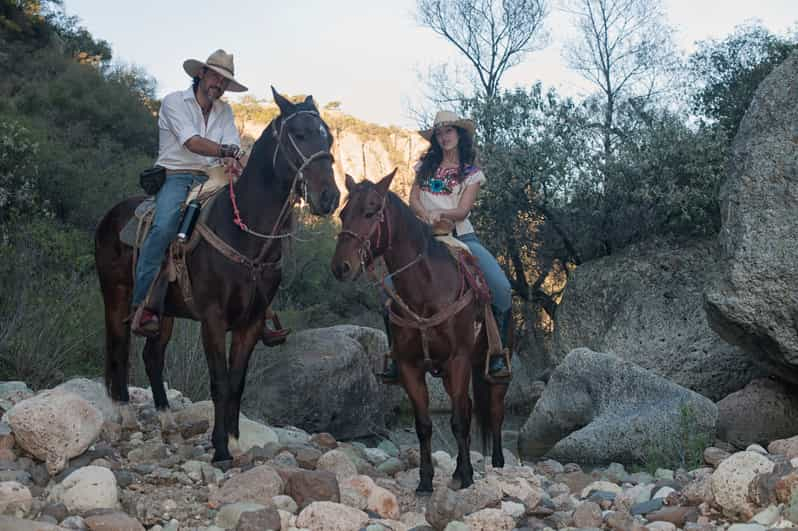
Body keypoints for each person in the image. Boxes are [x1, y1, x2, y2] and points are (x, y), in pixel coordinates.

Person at [131, 49, 289, 346]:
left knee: (250, 219)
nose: (219, 83)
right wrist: (228, 153)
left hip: (214, 176)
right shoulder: (174, 103)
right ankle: (144, 304)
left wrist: (233, 159)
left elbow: (231, 143)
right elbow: (192, 142)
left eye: (225, 80)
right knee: (165, 226)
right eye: (215, 75)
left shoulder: (224, 111)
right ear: (201, 74)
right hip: (177, 174)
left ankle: (259, 308)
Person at [379, 110, 512, 383]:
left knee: (501, 288)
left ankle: (497, 353)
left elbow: (462, 211)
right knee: (391, 289)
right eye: (439, 133)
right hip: (425, 240)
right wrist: (423, 215)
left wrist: (441, 216)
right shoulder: (424, 168)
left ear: (459, 134)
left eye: (448, 131)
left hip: (461, 237)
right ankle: (395, 354)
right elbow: (413, 198)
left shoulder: (471, 173)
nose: (443, 137)